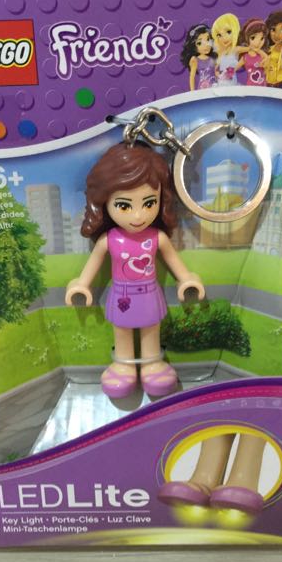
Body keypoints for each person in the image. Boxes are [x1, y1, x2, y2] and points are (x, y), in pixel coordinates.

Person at [65, 143, 205, 398]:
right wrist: (81, 285)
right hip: (122, 295)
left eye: (149, 203)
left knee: (151, 329)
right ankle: (124, 365)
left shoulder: (157, 238)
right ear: (104, 202)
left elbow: (177, 266)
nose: (138, 216)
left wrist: (186, 281)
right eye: (124, 206)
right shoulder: (109, 240)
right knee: (122, 331)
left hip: (149, 293)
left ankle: (152, 364)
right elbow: (91, 268)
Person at [181, 24, 217, 91]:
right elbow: (192, 77)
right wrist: (193, 92)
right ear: (193, 46)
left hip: (214, 88)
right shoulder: (195, 60)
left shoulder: (213, 59)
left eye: (208, 40)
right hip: (202, 89)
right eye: (199, 43)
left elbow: (216, 74)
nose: (206, 45)